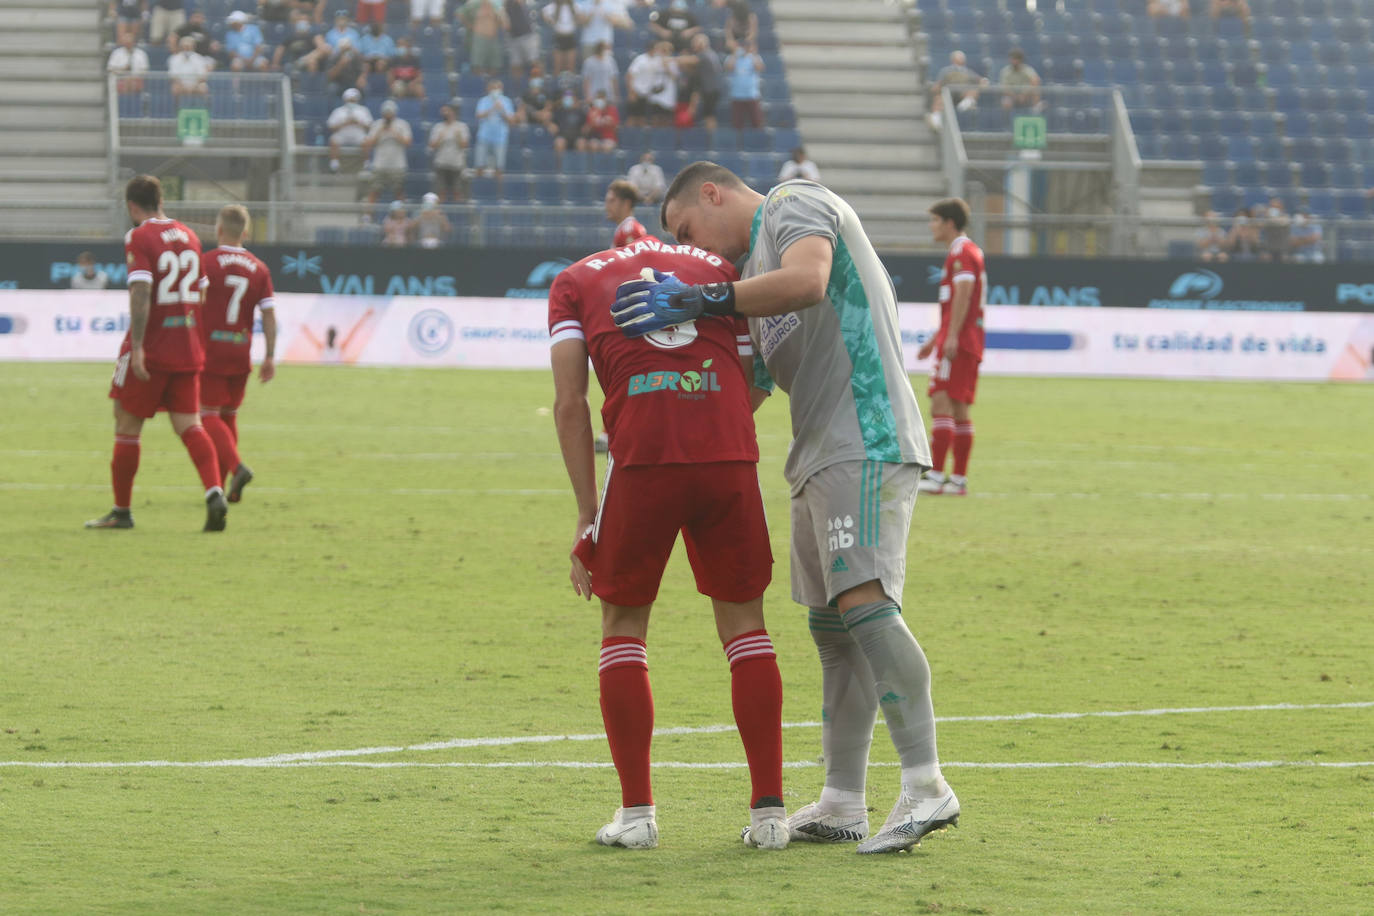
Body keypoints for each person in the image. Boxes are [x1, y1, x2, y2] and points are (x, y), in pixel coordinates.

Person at [612, 161, 959, 855]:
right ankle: (843, 800)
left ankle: (927, 785)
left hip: (864, 434)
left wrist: (705, 297)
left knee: (865, 602)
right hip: (817, 453)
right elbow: (744, 394)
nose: (700, 250)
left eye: (689, 229)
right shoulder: (751, 286)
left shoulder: (792, 204)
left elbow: (810, 280)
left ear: (712, 193)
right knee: (832, 627)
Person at [549, 239, 787, 852]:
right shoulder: (719, 271)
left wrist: (585, 512)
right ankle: (770, 817)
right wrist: (720, 422)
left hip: (644, 459)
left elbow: (571, 403)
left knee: (623, 623)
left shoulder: (574, 281)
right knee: (746, 625)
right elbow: (757, 372)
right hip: (727, 454)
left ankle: (637, 817)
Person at [86, 175, 227, 533]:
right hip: (187, 347)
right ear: (160, 199)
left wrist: (136, 348)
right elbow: (203, 293)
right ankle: (214, 491)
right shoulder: (191, 236)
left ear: (133, 207)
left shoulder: (139, 236)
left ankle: (122, 511)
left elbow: (141, 292)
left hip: (153, 348)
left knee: (126, 423)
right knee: (189, 424)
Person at [198, 204, 277, 505]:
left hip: (212, 350)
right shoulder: (260, 268)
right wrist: (269, 355)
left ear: (218, 230)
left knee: (207, 415)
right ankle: (222, 487)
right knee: (228, 415)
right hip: (241, 350)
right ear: (245, 232)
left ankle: (237, 467)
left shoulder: (206, 262)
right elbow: (269, 315)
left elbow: (195, 301)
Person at [916, 198, 985, 498]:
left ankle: (936, 475)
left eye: (934, 220)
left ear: (948, 223)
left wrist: (951, 336)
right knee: (958, 408)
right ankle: (957, 480)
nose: (931, 226)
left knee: (940, 403)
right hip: (966, 338)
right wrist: (936, 338)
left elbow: (965, 291)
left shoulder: (961, 252)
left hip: (960, 340)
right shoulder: (968, 251)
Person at [363, 99, 413, 205]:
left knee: (399, 192)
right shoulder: (377, 125)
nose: (388, 115)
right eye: (386, 112)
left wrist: (394, 133)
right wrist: (380, 131)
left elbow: (408, 143)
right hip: (379, 165)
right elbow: (369, 143)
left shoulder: (402, 125)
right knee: (374, 191)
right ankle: (367, 217)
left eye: (390, 112)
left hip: (397, 165)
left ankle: (401, 217)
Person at [928, 50, 986, 130]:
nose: (961, 60)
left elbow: (981, 81)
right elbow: (937, 85)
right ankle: (937, 123)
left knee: (973, 91)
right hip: (948, 94)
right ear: (953, 59)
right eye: (959, 58)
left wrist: (983, 82)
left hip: (962, 94)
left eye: (962, 58)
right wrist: (937, 89)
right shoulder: (946, 70)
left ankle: (961, 109)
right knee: (938, 99)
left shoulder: (968, 71)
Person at [474, 78, 517, 182]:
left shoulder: (507, 101)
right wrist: (493, 108)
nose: (496, 90)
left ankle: (499, 194)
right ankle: (479, 190)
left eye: (498, 87)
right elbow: (478, 115)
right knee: (479, 165)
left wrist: (502, 110)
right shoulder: (483, 100)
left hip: (500, 138)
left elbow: (512, 120)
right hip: (484, 136)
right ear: (488, 89)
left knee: (499, 167)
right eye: (493, 88)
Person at [429, 102, 471, 203]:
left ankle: (458, 215)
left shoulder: (461, 127)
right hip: (441, 163)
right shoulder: (438, 127)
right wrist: (440, 138)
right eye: (443, 112)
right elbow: (432, 145)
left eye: (447, 111)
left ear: (453, 113)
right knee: (441, 191)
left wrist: (458, 137)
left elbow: (464, 145)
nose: (445, 113)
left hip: (457, 164)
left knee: (457, 191)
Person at [327, 87, 374, 173]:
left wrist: (358, 122)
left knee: (367, 140)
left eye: (353, 100)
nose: (352, 101)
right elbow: (331, 127)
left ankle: (367, 164)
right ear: (345, 99)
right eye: (350, 100)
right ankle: (334, 165)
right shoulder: (338, 111)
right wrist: (345, 123)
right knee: (333, 140)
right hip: (342, 134)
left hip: (358, 134)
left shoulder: (363, 110)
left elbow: (369, 126)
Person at [684, 32, 722, 131]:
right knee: (708, 115)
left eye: (695, 42)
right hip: (708, 90)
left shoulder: (706, 54)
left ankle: (712, 141)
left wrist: (671, 59)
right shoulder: (709, 54)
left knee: (709, 116)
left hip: (711, 90)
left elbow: (692, 60)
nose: (693, 45)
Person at [460, 0, 508, 77]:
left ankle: (491, 85)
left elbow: (505, 24)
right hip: (479, 38)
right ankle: (478, 85)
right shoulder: (473, 3)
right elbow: (460, 13)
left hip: (493, 38)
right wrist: (470, 26)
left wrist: (500, 19)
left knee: (494, 66)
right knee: (477, 66)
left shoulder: (497, 5)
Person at [724, 39, 764, 130]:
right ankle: (738, 143)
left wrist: (753, 54)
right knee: (737, 124)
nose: (744, 48)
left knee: (757, 123)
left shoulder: (755, 57)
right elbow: (729, 67)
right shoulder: (731, 57)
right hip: (737, 95)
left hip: (752, 95)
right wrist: (735, 54)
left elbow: (759, 67)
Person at [604, 178, 647, 247]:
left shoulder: (629, 231)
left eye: (612, 201)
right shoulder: (624, 229)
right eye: (607, 201)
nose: (607, 206)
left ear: (626, 204)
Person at [543, 0, 580, 77]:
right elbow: (544, 12)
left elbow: (581, 15)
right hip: (559, 37)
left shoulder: (574, 6)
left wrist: (576, 21)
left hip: (570, 37)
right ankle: (556, 87)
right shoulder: (554, 6)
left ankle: (570, 86)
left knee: (571, 67)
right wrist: (551, 21)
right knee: (557, 66)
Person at [504, 0, 540, 78]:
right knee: (516, 65)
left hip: (528, 35)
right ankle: (517, 88)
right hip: (513, 37)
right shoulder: (505, 4)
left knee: (534, 62)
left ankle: (538, 86)